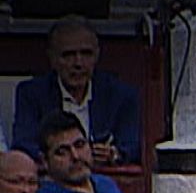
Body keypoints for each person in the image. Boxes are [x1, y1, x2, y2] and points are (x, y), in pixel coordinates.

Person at [11, 16, 142, 167]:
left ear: (97, 55)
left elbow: (133, 147)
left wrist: (114, 154)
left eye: (86, 54)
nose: (78, 63)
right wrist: (62, 156)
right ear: (52, 58)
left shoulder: (122, 95)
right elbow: (23, 145)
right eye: (68, 55)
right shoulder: (31, 93)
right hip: (52, 176)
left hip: (104, 176)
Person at [36, 111, 123, 193]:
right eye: (62, 152)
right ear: (45, 161)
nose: (75, 156)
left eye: (80, 145)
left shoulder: (105, 184)